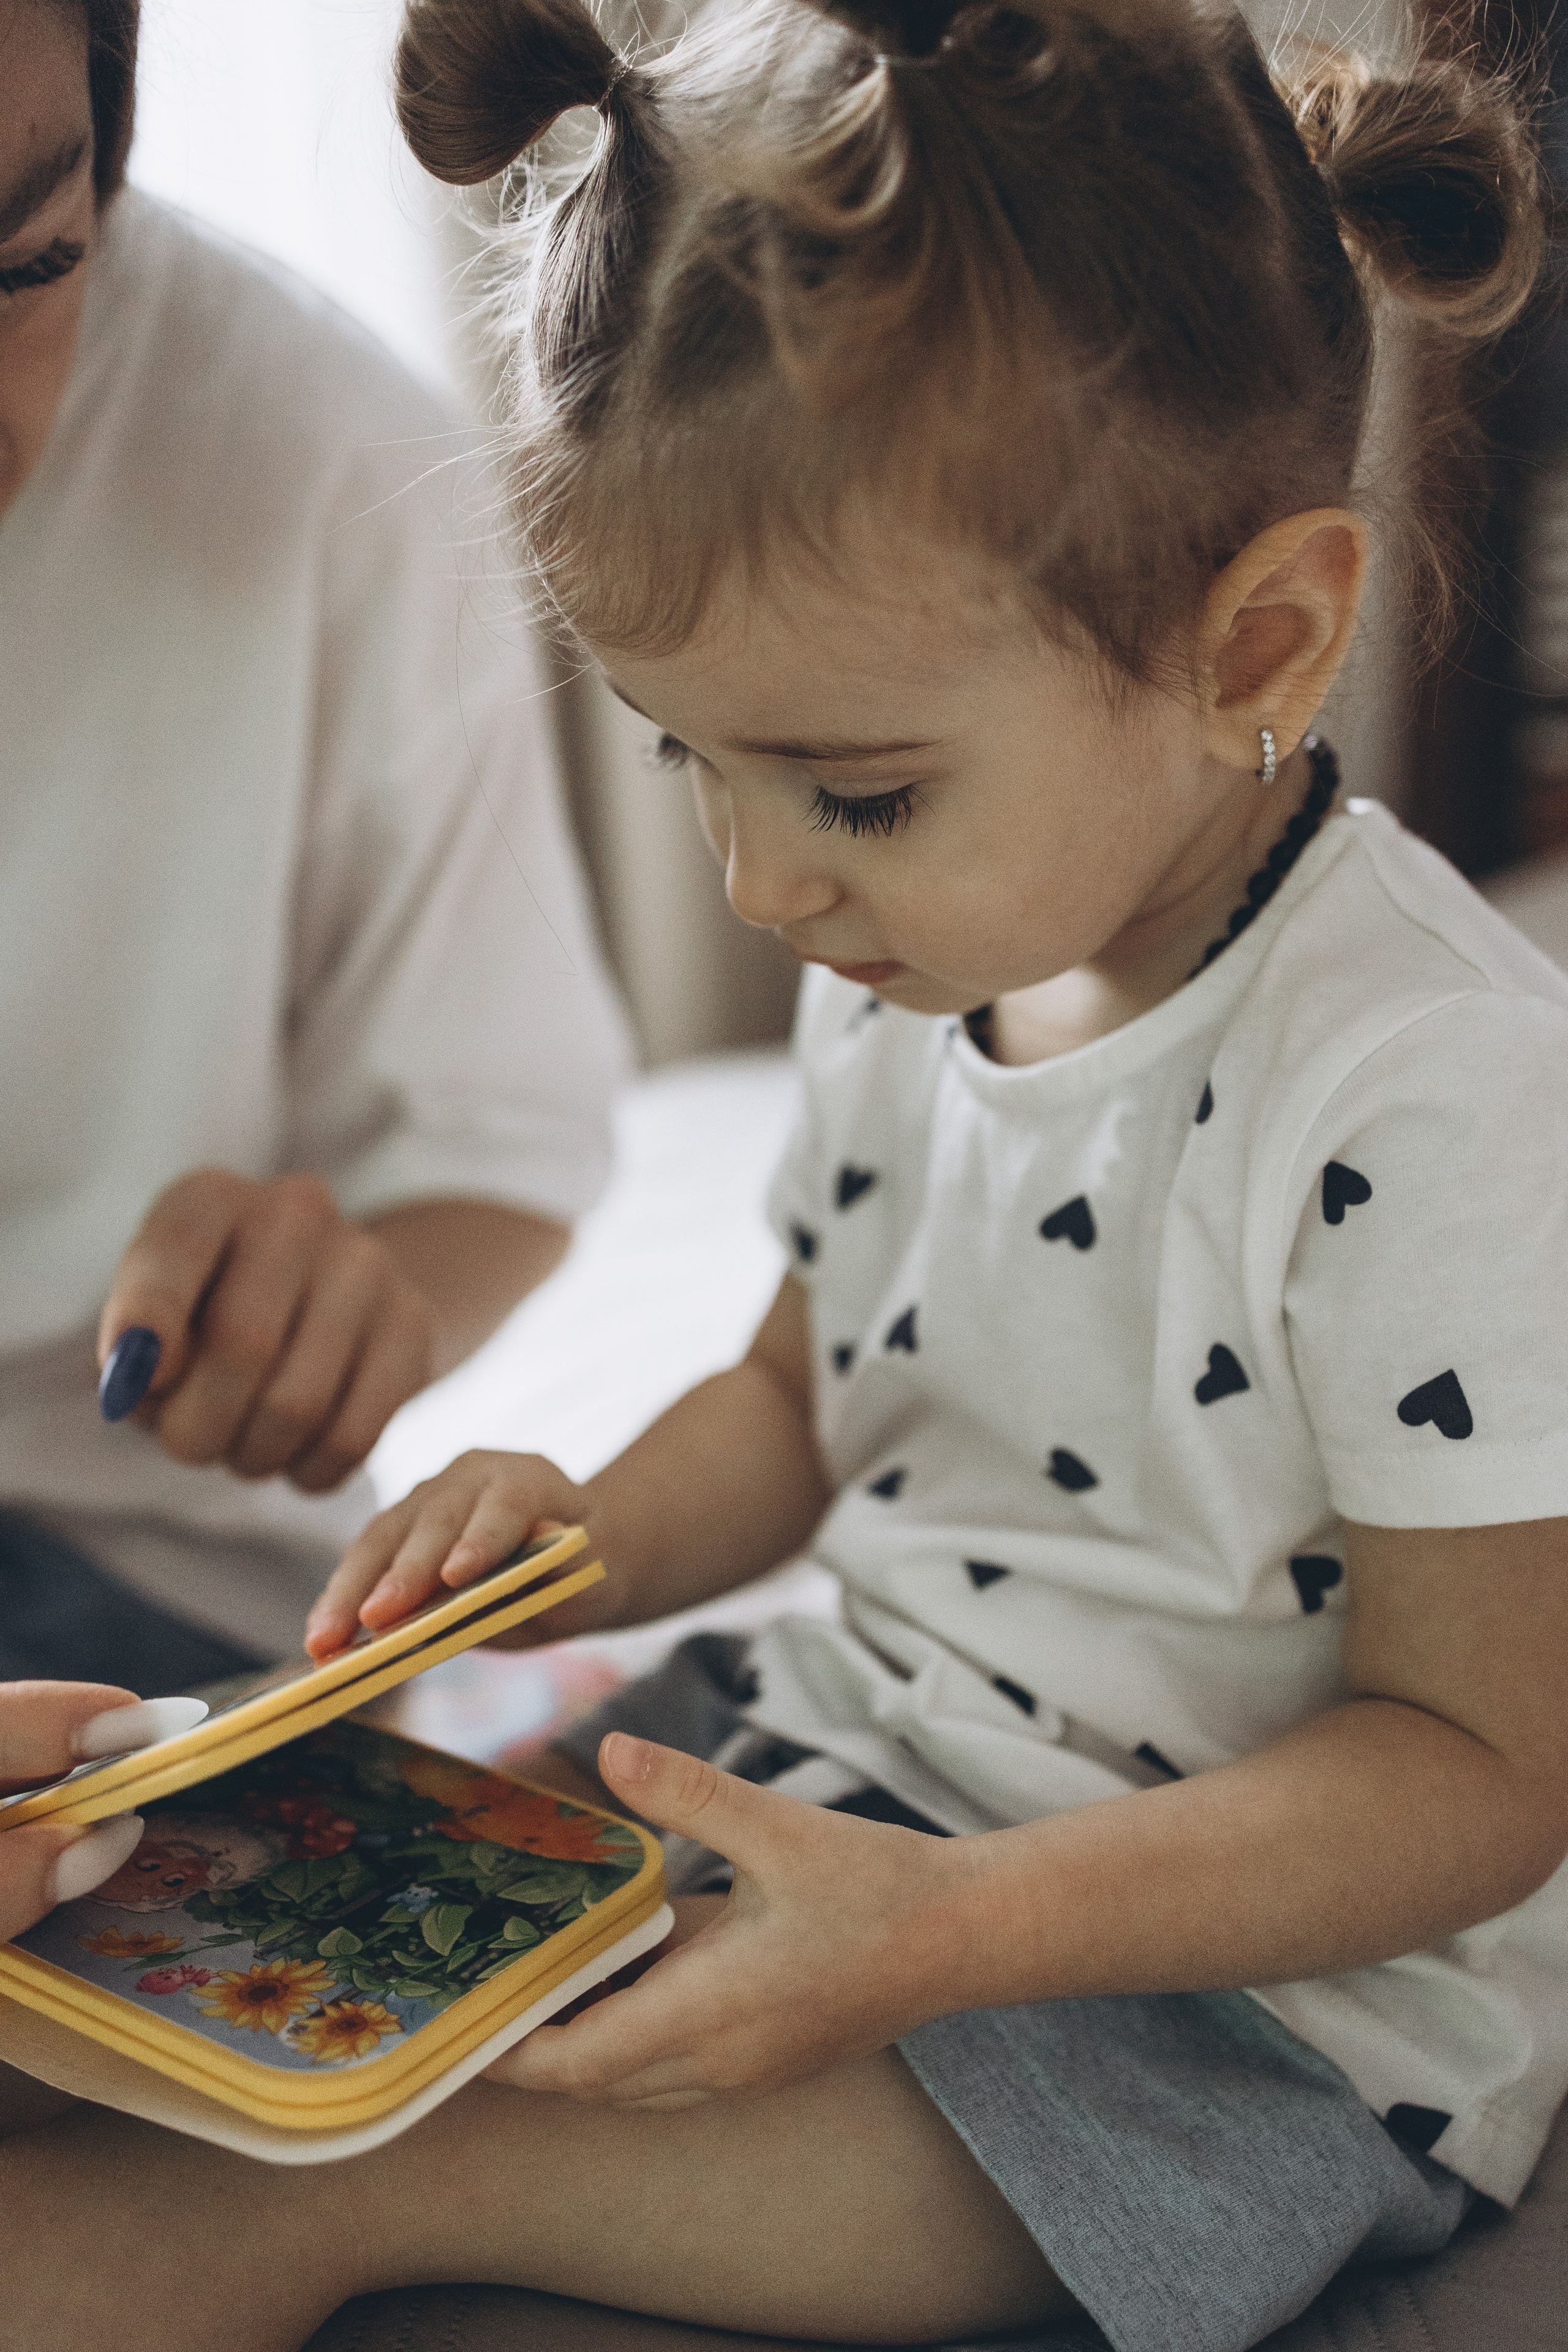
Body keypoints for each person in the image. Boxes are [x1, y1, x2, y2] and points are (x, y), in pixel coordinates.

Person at [2, 1, 1565, 2347]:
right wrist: (572, 1545)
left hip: (1221, 2020)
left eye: (848, 792)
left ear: (1261, 634)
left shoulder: (1427, 1100)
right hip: (830, 1800)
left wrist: (941, 1933)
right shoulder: (922, 968)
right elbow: (804, 1397)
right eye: (685, 764)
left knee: (289, 2184)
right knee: (137, 2024)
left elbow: (1482, 1776)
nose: (756, 888)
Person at [0, 0, 631, 1695]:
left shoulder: (319, 462)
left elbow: (494, 1139)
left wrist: (346, 1302)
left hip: (133, 1574)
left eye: (21, 268)